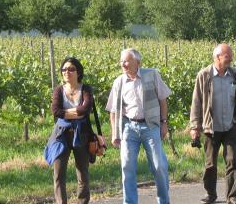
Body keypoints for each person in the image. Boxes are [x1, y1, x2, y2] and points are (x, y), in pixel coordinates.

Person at [106, 48, 171, 204]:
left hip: (150, 126)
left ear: (138, 62)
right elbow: (113, 112)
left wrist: (163, 123)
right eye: (121, 61)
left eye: (127, 61)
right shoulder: (119, 82)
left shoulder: (152, 75)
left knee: (159, 165)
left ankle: (164, 201)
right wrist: (115, 133)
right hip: (129, 127)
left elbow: (163, 100)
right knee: (127, 166)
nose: (123, 64)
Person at [189, 43, 236, 204]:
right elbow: (196, 102)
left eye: (231, 56)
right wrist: (195, 126)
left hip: (230, 126)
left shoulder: (235, 75)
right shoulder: (204, 75)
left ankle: (232, 197)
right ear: (217, 57)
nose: (231, 59)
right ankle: (210, 194)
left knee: (232, 162)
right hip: (210, 128)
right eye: (228, 56)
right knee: (210, 164)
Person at [46, 57, 95, 204]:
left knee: (83, 174)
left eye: (71, 69)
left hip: (82, 134)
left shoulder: (86, 89)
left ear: (78, 72)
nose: (67, 72)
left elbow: (86, 109)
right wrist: (76, 113)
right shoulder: (59, 90)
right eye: (64, 69)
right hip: (61, 135)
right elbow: (56, 111)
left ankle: (83, 201)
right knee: (59, 174)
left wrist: (66, 112)